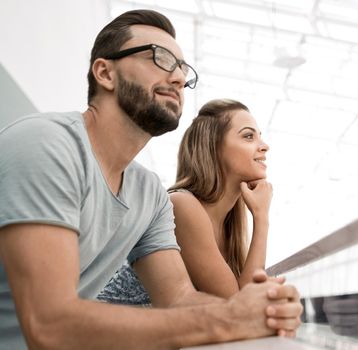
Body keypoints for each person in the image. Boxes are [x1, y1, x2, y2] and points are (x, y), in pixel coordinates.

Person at [0, 9, 302, 350]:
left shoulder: (149, 194)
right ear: (105, 73)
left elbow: (179, 298)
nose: (176, 78)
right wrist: (231, 317)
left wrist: (264, 312)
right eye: (159, 58)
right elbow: (49, 325)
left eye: (182, 71)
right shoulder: (45, 144)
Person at [98, 99, 272, 304]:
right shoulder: (182, 205)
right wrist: (262, 218)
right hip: (104, 331)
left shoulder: (229, 225)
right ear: (214, 147)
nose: (264, 146)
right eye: (248, 136)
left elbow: (245, 301)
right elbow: (240, 305)